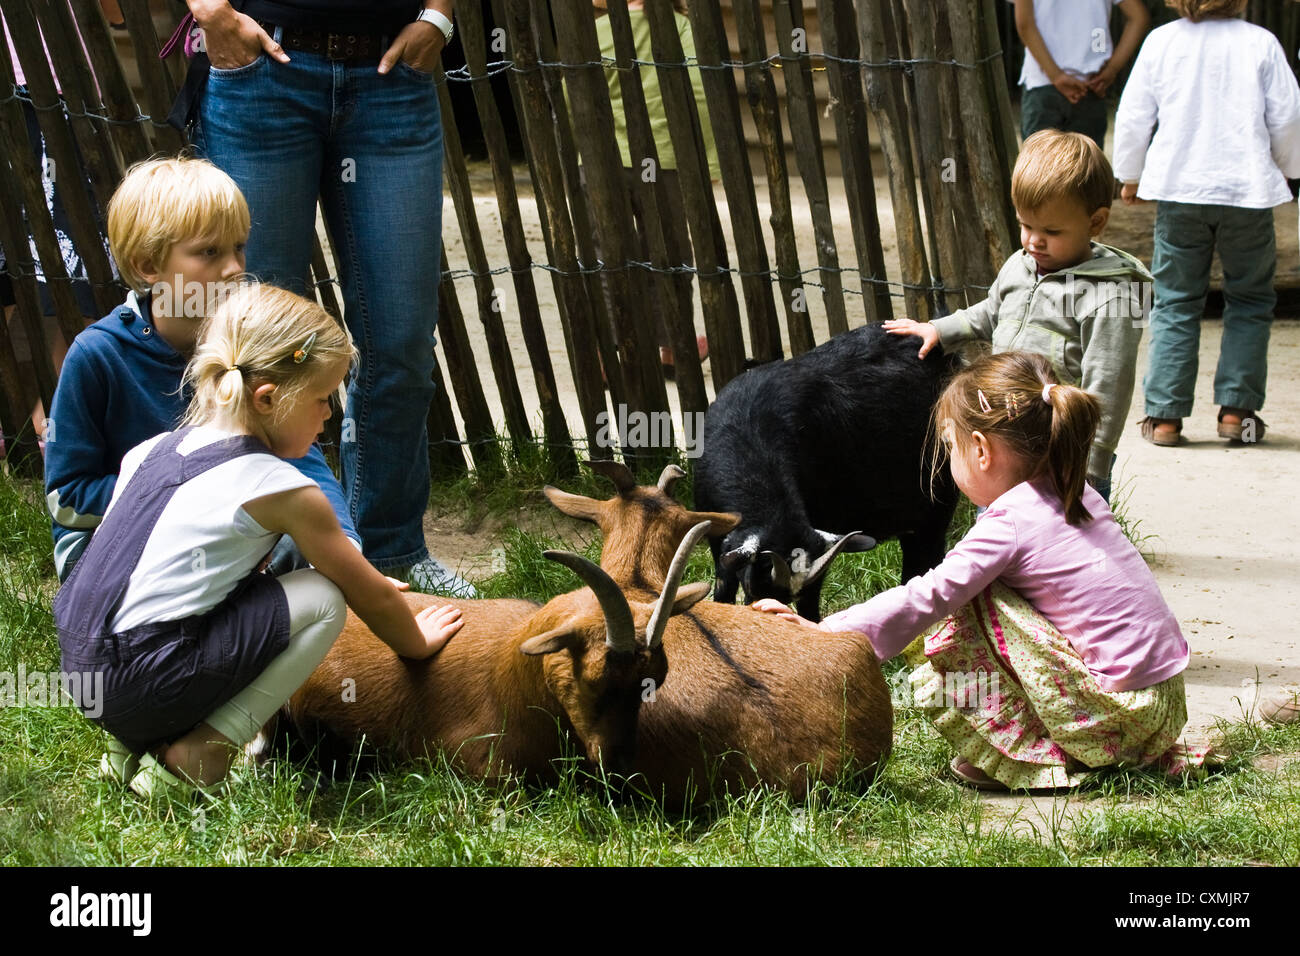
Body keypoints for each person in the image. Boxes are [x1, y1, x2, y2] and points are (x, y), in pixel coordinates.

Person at [55, 282, 464, 798]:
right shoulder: (284, 488)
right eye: (321, 399)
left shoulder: (151, 451)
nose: (328, 416)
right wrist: (415, 638)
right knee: (321, 598)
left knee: (248, 591)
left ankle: (125, 747)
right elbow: (370, 597)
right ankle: (203, 751)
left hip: (81, 676)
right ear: (269, 398)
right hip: (144, 683)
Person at [754, 351, 1207, 791]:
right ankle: (1082, 740)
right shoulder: (1077, 490)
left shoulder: (1010, 523)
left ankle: (1025, 751)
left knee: (963, 598)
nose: (948, 461)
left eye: (950, 446)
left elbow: (926, 597)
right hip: (1159, 708)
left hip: (1116, 718)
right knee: (975, 583)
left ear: (982, 451)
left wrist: (823, 635)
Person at [182, 0, 475, 595]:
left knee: (400, 343)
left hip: (393, 79)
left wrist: (439, 18)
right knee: (256, 345)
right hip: (261, 72)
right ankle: (274, 556)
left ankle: (390, 549)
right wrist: (211, 11)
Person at [44, 157, 360, 583]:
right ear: (147, 265)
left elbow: (302, 457)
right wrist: (195, 495)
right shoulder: (97, 356)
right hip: (113, 551)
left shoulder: (251, 342)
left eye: (239, 247)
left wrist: (343, 550)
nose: (234, 268)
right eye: (209, 252)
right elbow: (67, 498)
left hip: (220, 535)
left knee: (303, 553)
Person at [884, 128, 1149, 502]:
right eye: (1025, 225)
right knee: (1000, 531)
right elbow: (991, 312)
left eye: (1051, 231)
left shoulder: (1110, 297)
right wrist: (937, 330)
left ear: (1095, 222)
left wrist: (1091, 465)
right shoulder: (1020, 265)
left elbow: (1110, 385)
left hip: (1062, 459)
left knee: (1057, 551)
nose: (1033, 241)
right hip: (1004, 444)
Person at [1113, 0, 1300, 446]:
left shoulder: (1161, 41)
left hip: (1180, 192)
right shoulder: (1261, 43)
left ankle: (1164, 418)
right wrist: (1286, 170)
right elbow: (1288, 117)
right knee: (1251, 300)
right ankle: (1237, 413)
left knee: (1176, 301)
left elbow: (1135, 114)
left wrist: (1130, 174)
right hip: (1247, 194)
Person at [592, 0, 715, 373]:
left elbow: (569, 93)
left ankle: (610, 352)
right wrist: (707, 157)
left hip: (604, 161)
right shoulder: (679, 28)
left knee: (605, 254)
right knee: (669, 250)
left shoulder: (597, 31)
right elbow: (698, 92)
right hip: (662, 160)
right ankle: (671, 345)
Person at [1012, 0, 1150, 149]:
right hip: (1090, 85)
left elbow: (1025, 23)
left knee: (1038, 167)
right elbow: (1139, 18)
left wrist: (1055, 75)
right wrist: (1112, 68)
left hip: (1042, 83)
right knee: (1087, 169)